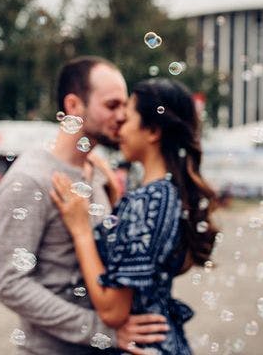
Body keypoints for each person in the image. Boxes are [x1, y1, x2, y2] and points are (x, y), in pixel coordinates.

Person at [0, 56, 169, 355]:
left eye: (125, 106)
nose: (123, 116)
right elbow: (10, 283)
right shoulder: (30, 179)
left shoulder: (98, 172)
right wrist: (103, 331)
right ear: (74, 106)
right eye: (112, 105)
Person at [51, 78, 219, 354]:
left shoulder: (145, 202)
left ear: (152, 131)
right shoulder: (168, 194)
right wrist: (118, 201)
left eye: (127, 119)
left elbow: (114, 311)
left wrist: (80, 228)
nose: (119, 128)